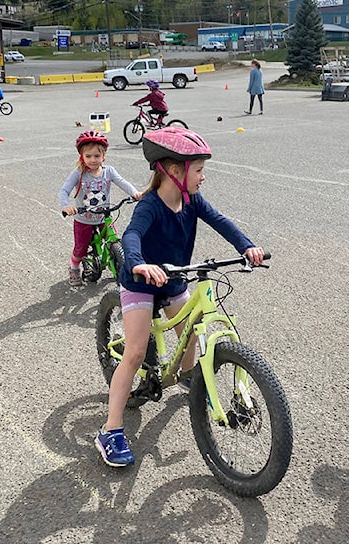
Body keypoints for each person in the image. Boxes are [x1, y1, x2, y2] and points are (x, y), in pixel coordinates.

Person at [96, 126, 264, 467]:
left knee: (191, 334)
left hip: (172, 278)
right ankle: (110, 430)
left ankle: (189, 377)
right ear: (175, 171)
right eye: (199, 170)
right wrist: (140, 264)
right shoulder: (151, 206)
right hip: (141, 281)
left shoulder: (191, 200)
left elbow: (221, 221)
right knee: (136, 351)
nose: (203, 177)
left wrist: (246, 245)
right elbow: (131, 236)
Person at [58, 130, 143, 287]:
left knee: (115, 241)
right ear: (82, 157)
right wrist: (66, 206)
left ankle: (119, 265)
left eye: (97, 156)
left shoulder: (108, 171)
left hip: (105, 215)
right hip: (83, 218)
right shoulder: (79, 173)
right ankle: (74, 268)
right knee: (81, 249)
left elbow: (122, 182)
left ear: (104, 156)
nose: (93, 160)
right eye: (88, 156)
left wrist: (135, 193)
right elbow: (64, 191)